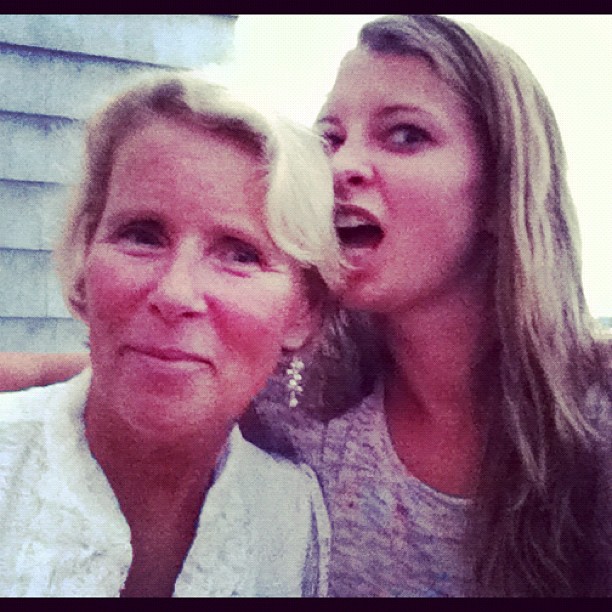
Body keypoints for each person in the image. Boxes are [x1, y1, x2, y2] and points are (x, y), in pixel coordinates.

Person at [3, 16, 611, 597]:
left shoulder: (595, 421)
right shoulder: (309, 403)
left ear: (502, 193)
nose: (341, 165)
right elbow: (149, 362)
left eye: (405, 135)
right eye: (330, 137)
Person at [0, 72, 343, 597]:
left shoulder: (290, 514)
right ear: (83, 260)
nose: (175, 293)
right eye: (142, 235)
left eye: (239, 253)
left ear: (303, 311)